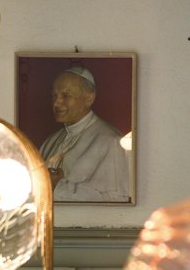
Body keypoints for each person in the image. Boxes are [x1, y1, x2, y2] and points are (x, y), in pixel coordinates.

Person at [39, 65, 130, 202]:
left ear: (89, 99)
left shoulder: (111, 141)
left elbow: (118, 200)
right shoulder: (50, 142)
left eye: (66, 95)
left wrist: (58, 187)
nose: (56, 103)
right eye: (54, 95)